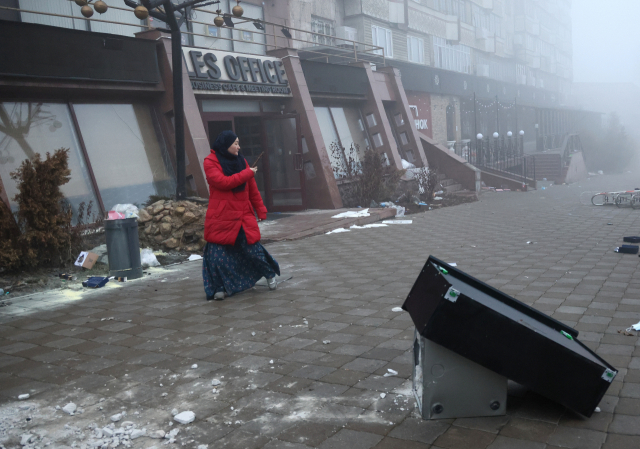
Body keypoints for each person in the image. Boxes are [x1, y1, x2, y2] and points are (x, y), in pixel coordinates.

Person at [201, 130, 280, 301]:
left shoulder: (241, 161)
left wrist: (261, 210)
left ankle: (269, 275)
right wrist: (247, 173)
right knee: (217, 256)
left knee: (254, 250)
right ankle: (219, 287)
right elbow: (223, 182)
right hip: (221, 216)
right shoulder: (210, 162)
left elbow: (252, 190)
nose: (239, 146)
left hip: (243, 216)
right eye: (235, 143)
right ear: (225, 145)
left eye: (238, 143)